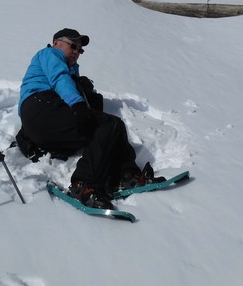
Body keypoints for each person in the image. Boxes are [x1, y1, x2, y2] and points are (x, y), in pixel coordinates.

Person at [16, 28, 164, 209]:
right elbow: (59, 79)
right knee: (109, 123)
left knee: (111, 127)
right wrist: (78, 105)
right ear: (56, 43)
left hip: (47, 125)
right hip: (40, 105)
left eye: (80, 50)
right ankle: (83, 185)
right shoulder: (49, 54)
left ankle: (126, 175)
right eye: (73, 46)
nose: (77, 52)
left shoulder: (71, 71)